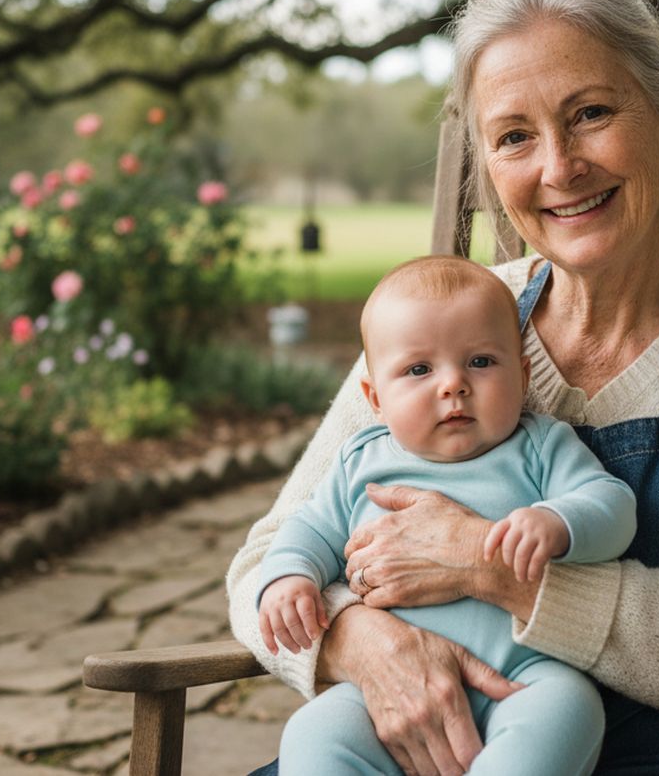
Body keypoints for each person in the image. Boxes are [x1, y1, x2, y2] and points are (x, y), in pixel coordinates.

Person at [228, 0, 659, 776]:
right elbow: (265, 559)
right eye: (516, 135)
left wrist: (497, 573)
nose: (559, 168)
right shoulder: (439, 328)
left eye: (592, 113)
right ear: (488, 165)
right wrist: (358, 638)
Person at [258, 255, 636, 775]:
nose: (453, 384)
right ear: (374, 398)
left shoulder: (540, 445)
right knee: (315, 731)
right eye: (419, 370)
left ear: (523, 375)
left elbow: (611, 505)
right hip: (384, 695)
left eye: (481, 362)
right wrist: (289, 577)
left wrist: (558, 521)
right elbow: (308, 530)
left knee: (568, 707)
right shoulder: (362, 461)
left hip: (524, 676)